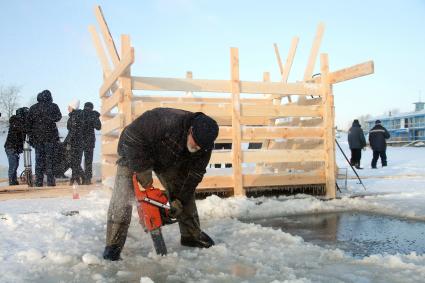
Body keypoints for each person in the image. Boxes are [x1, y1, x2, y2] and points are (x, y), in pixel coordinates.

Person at [103, 108, 219, 261]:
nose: (197, 148)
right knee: (122, 197)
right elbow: (131, 136)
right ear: (190, 130)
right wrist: (142, 169)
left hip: (167, 157)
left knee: (183, 187)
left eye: (200, 147)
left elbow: (194, 175)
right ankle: (113, 245)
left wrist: (180, 200)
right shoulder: (165, 120)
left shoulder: (205, 144)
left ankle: (191, 235)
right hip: (134, 149)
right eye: (195, 143)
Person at [28, 90, 62, 187]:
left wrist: (31, 137)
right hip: (50, 138)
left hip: (38, 139)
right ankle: (50, 181)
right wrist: (49, 117)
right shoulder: (53, 106)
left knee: (39, 160)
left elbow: (28, 124)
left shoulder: (33, 108)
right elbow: (58, 117)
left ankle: (39, 181)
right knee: (49, 160)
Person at [4, 107, 29, 185]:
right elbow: (23, 129)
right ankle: (12, 181)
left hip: (14, 147)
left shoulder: (17, 122)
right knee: (13, 165)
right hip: (11, 147)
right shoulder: (16, 121)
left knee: (15, 164)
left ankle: (13, 180)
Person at [64, 99, 85, 185]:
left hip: (74, 142)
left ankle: (76, 178)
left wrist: (66, 141)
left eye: (69, 106)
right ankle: (77, 178)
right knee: (76, 161)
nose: (67, 108)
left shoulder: (74, 117)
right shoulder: (79, 115)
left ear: (72, 107)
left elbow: (72, 131)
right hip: (80, 141)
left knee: (73, 161)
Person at [81, 102, 101, 185]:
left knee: (76, 160)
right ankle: (88, 179)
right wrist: (95, 116)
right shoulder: (93, 115)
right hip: (89, 140)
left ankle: (80, 177)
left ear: (84, 107)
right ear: (92, 108)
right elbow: (98, 127)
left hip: (79, 140)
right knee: (88, 160)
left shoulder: (80, 114)